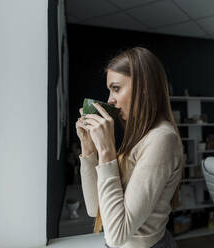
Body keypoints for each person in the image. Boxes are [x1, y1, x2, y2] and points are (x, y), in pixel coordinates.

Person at [75, 47, 183, 248]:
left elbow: (117, 235)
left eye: (116, 88)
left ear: (144, 88)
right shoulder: (139, 137)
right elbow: (95, 208)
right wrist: (89, 148)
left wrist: (107, 151)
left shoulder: (162, 139)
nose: (110, 100)